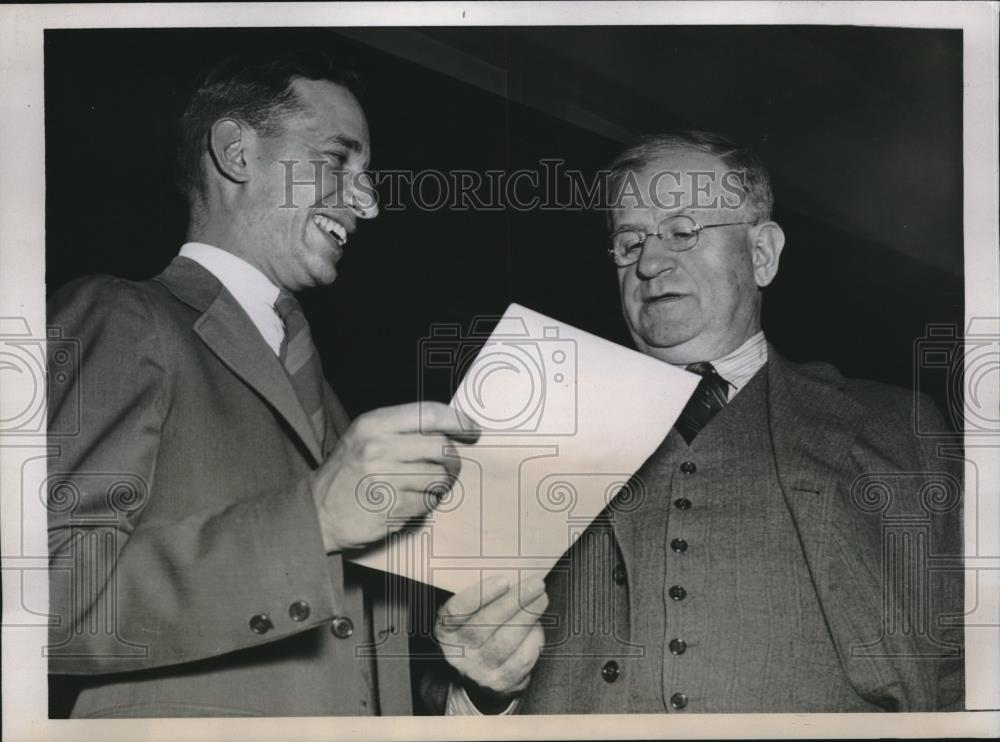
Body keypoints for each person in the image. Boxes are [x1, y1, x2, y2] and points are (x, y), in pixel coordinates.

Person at [46, 48, 540, 718]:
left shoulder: (331, 402)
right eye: (338, 162)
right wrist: (312, 522)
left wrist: (475, 689)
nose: (365, 203)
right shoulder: (124, 316)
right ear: (236, 154)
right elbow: (41, 599)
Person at [504, 131, 964, 713]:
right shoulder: (530, 432)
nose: (648, 262)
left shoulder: (899, 426)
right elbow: (439, 669)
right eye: (628, 241)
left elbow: (966, 670)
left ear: (762, 253)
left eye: (681, 231)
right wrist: (481, 694)